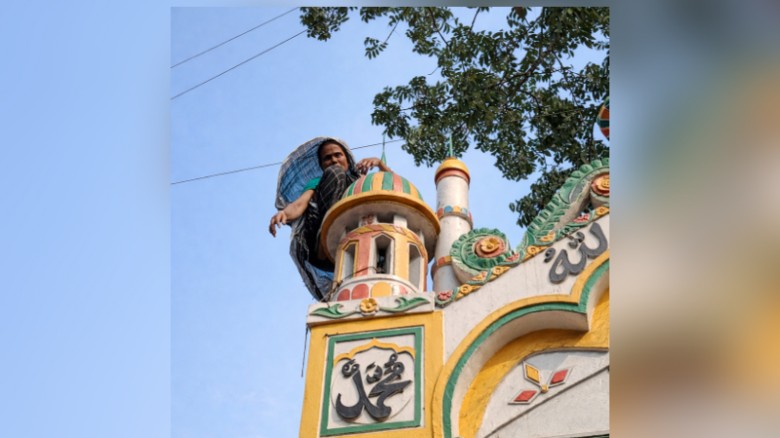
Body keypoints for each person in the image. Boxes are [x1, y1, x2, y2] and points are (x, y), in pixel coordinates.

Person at [270, 138, 390, 300]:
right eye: (327, 158)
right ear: (322, 165)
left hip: (358, 237)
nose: (333, 160)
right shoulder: (319, 181)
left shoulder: (359, 181)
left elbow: (394, 189)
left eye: (337, 155)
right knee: (335, 173)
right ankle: (327, 234)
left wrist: (380, 165)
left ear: (347, 159)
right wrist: (284, 214)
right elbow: (300, 204)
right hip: (321, 243)